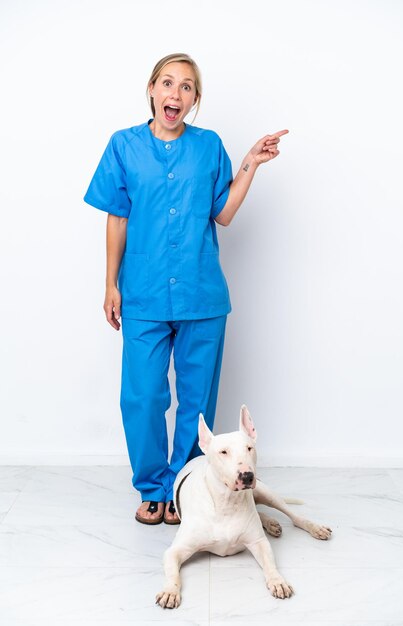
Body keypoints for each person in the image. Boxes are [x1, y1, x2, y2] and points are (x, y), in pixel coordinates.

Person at [83, 52, 288, 526]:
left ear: (195, 99)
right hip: (143, 294)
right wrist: (110, 283)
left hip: (202, 295)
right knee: (142, 396)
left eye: (187, 87)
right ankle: (151, 486)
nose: (175, 94)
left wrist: (250, 165)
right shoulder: (124, 146)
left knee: (196, 402)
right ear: (152, 89)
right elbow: (117, 218)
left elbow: (224, 213)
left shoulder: (208, 145)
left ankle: (181, 485)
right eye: (168, 84)